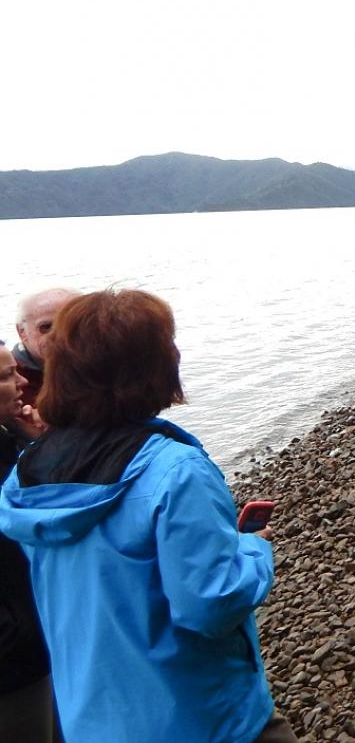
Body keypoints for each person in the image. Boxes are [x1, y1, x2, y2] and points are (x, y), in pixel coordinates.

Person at [0, 289, 298, 743]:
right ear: (157, 365)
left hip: (92, 718)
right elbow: (209, 604)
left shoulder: (27, 474)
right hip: (202, 718)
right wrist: (253, 548)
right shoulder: (175, 471)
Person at [0, 340, 56, 743]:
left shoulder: (8, 442)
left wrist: (35, 444)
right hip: (15, 658)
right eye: (6, 376)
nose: (22, 381)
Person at [12, 288, 79, 405]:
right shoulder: (9, 376)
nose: (60, 335)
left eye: (71, 325)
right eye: (47, 327)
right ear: (22, 332)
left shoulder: (100, 361)